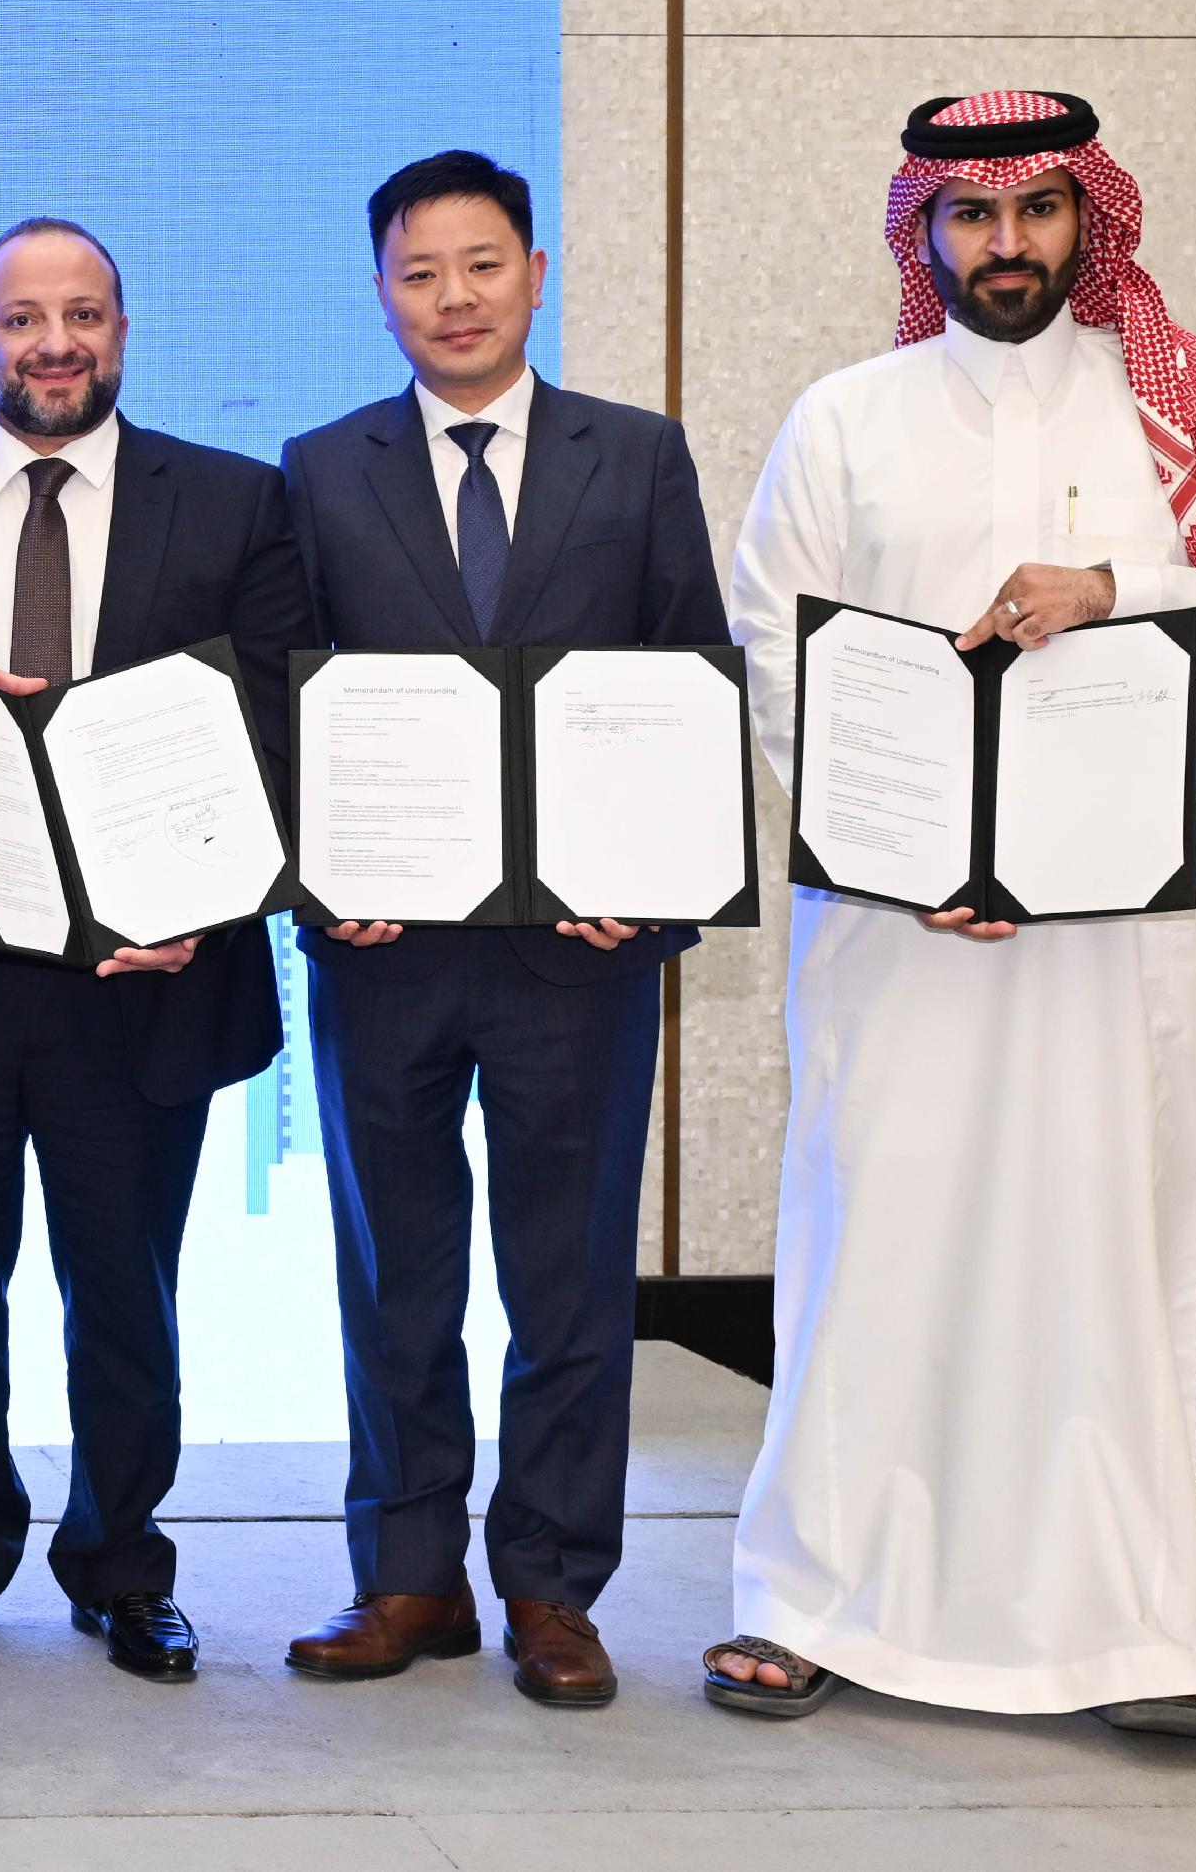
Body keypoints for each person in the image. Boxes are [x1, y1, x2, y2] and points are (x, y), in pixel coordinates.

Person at [713, 90, 1196, 1740]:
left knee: (1106, 1242)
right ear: (924, 233)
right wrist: (908, 851)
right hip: (897, 923)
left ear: (1092, 219)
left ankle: (1133, 1628)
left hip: (1114, 934)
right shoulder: (847, 416)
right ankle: (814, 1599)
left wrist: (1118, 594)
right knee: (877, 1236)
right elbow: (775, 648)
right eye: (974, 217)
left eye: (1040, 212)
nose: (1009, 245)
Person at [276, 149, 730, 1709]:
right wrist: (320, 872)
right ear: (381, 291)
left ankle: (552, 1585)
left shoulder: (638, 456)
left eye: (481, 264)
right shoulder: (321, 468)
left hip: (577, 959)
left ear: (535, 272)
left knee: (571, 1278)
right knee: (394, 1274)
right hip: (387, 953)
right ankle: (407, 1575)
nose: (452, 297)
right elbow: (292, 713)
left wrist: (657, 889)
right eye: (419, 271)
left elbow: (693, 681)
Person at [0, 218, 314, 1682]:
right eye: (24, 316)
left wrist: (206, 895)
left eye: (86, 315)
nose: (56, 341)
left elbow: (277, 729)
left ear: (125, 330)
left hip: (152, 972)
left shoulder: (241, 502)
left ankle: (122, 1560)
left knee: (125, 1284)